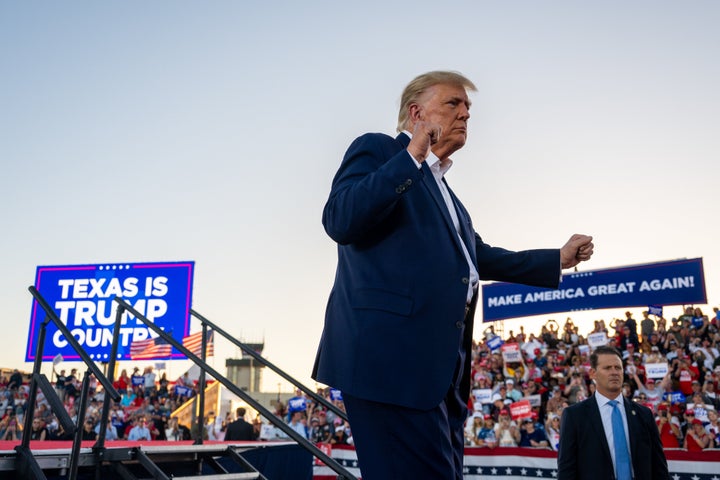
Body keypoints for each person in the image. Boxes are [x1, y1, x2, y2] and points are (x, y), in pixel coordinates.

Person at [312, 70, 594, 480]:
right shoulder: (377, 150)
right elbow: (340, 219)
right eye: (453, 103)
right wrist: (410, 158)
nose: (465, 114)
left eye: (468, 108)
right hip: (389, 362)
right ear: (416, 112)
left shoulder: (449, 197)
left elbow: (477, 257)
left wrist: (557, 259)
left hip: (440, 372)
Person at [558, 345, 668, 480]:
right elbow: (566, 470)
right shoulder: (574, 416)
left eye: (618, 368)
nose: (614, 372)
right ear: (593, 373)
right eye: (607, 368)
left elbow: (659, 467)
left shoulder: (644, 414)